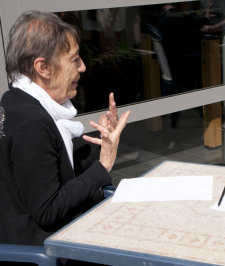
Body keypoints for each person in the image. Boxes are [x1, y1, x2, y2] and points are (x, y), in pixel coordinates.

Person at [0, 11, 130, 246]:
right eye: (74, 59)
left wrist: (103, 144)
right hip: (44, 252)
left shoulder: (14, 101)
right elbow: (49, 211)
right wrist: (103, 166)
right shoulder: (32, 125)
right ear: (43, 68)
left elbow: (51, 165)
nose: (82, 67)